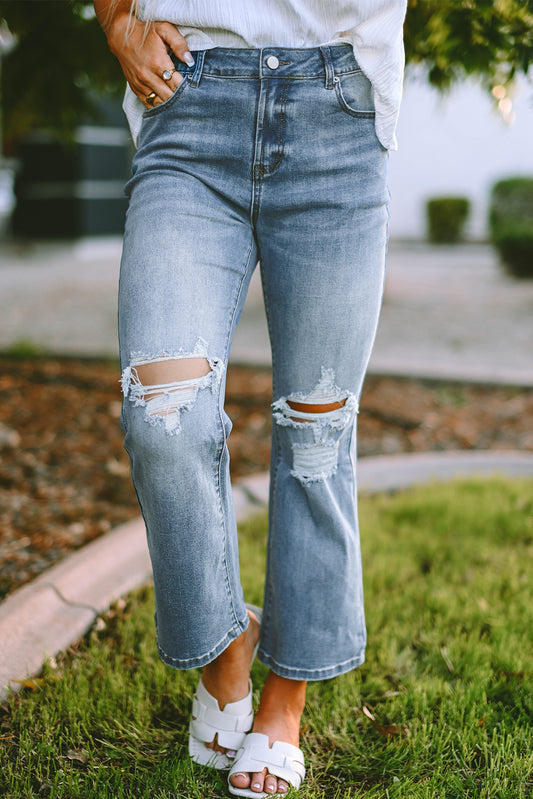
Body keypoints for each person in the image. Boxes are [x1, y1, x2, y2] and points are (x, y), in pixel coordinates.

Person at [94, 1, 407, 795]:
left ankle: (282, 706)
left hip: (338, 105)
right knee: (163, 415)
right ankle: (230, 650)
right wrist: (114, 20)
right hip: (189, 103)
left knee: (316, 431)